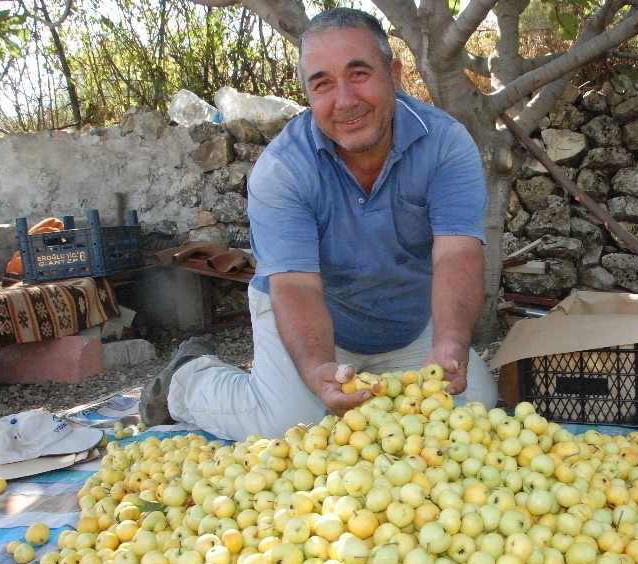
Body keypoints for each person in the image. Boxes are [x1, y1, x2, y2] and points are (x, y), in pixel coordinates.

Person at [140, 7, 497, 441]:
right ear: (308, 94)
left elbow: (457, 252)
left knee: (475, 412)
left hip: (407, 321)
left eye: (359, 73)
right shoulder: (282, 170)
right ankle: (189, 380)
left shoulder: (445, 144)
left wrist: (452, 342)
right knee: (290, 426)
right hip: (311, 311)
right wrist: (315, 368)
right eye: (322, 84)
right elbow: (296, 285)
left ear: (395, 74)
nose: (344, 100)